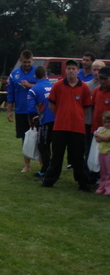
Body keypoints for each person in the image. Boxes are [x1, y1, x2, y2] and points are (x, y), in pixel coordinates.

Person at [41, 59, 92, 191]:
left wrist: (76, 116)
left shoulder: (84, 87)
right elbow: (52, 105)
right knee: (56, 156)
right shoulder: (58, 85)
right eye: (68, 68)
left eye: (73, 68)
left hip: (77, 128)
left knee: (78, 158)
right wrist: (62, 114)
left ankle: (83, 183)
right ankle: (49, 181)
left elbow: (86, 107)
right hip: (60, 127)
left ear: (78, 71)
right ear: (65, 70)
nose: (71, 71)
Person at [7, 50, 37, 172]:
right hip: (20, 111)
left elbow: (45, 86)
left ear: (32, 61)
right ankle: (27, 165)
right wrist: (9, 111)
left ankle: (43, 166)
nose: (27, 64)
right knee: (24, 138)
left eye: (29, 62)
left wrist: (29, 85)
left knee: (40, 138)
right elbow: (10, 94)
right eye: (24, 62)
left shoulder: (38, 72)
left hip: (35, 111)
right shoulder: (14, 74)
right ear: (20, 61)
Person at [27, 66, 54, 180]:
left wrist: (32, 120)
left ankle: (46, 171)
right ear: (46, 74)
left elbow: (31, 109)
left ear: (35, 76)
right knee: (55, 147)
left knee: (43, 146)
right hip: (58, 120)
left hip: (45, 120)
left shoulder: (34, 89)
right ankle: (49, 170)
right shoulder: (54, 86)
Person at [93, 110, 110, 195]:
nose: (107, 124)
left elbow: (107, 138)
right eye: (105, 122)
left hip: (109, 153)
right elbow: (97, 139)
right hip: (101, 153)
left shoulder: (100, 131)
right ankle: (102, 186)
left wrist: (97, 134)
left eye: (109, 122)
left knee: (109, 172)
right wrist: (99, 135)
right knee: (102, 171)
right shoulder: (101, 129)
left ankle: (108, 188)